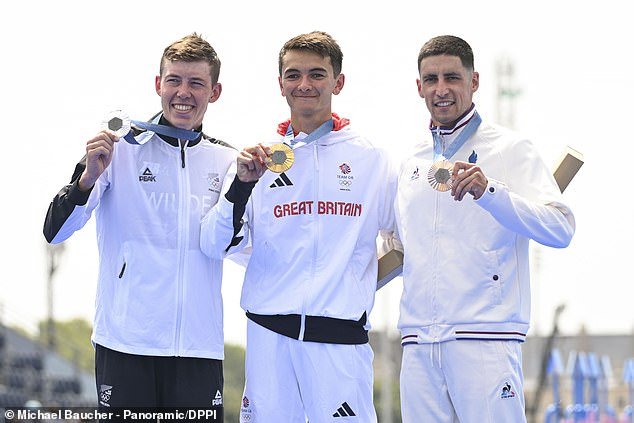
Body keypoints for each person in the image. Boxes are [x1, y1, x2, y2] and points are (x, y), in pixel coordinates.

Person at [200, 31, 396, 422]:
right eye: (293, 75)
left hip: (340, 342)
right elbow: (214, 244)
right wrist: (241, 186)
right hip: (269, 337)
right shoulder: (257, 159)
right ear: (280, 84)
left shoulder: (371, 158)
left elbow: (405, 242)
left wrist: (352, 279)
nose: (304, 84)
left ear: (338, 82)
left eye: (317, 74)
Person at [43, 33, 235, 410]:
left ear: (214, 91)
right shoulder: (119, 147)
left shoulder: (227, 161)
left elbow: (241, 247)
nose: (183, 92)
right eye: (174, 80)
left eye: (196, 82)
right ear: (158, 85)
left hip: (198, 348)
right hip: (126, 344)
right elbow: (55, 230)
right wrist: (86, 179)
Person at [393, 35, 576, 422]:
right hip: (418, 345)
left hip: (485, 340)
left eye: (451, 78)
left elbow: (560, 228)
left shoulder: (511, 148)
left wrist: (490, 192)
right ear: (419, 86)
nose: (441, 90)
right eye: (431, 79)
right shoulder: (410, 162)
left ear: (473, 81)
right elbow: (394, 247)